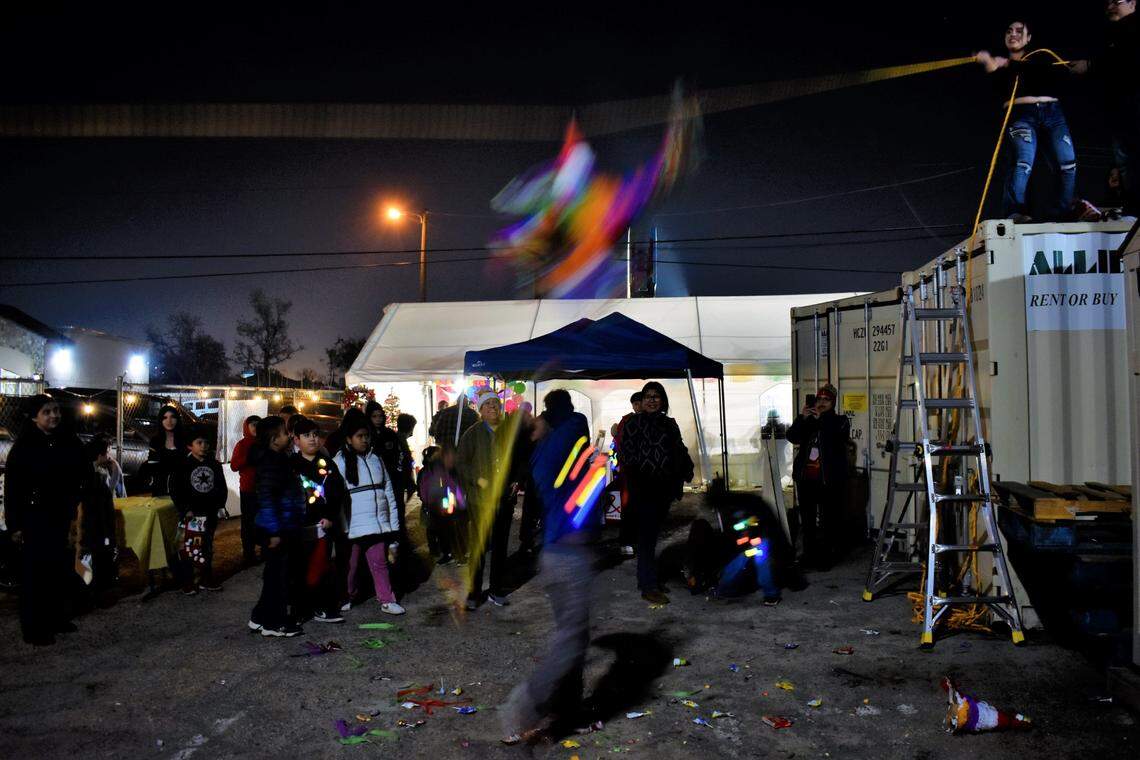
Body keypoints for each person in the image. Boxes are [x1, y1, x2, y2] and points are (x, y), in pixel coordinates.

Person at [501, 388, 597, 744]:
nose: (535, 418)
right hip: (567, 556)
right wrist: (553, 409)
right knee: (570, 640)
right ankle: (523, 707)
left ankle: (568, 712)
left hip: (559, 554)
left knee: (575, 637)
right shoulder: (558, 441)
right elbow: (576, 420)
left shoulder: (543, 452)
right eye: (532, 421)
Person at [976, 20, 1077, 222]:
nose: (1013, 34)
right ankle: (1014, 212)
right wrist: (990, 65)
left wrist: (1008, 64)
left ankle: (1063, 210)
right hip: (1021, 114)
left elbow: (1043, 72)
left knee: (1068, 163)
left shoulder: (1041, 57)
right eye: (1009, 31)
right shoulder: (999, 64)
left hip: (1053, 113)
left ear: (1029, 37)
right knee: (1022, 161)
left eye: (1019, 31)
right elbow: (997, 90)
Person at [4, 394, 85, 645]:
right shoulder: (25, 446)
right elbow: (13, 487)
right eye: (47, 412)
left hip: (58, 514)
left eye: (55, 410)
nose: (54, 416)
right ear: (34, 417)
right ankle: (34, 628)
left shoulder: (64, 440)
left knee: (56, 568)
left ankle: (56, 618)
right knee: (34, 573)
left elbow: (77, 472)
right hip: (33, 516)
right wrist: (15, 524)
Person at [617, 381, 694, 605]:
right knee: (646, 537)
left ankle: (649, 580)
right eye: (648, 396)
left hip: (663, 489)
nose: (651, 400)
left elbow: (679, 450)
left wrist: (682, 473)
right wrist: (637, 482)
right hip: (643, 489)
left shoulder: (669, 424)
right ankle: (648, 584)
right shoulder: (633, 423)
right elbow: (626, 456)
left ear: (663, 401)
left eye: (656, 396)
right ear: (641, 400)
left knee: (652, 535)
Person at [1070, 0, 1140, 216]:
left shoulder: (1133, 28)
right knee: (1125, 161)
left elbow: (1125, 59)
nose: (1109, 5)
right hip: (1122, 109)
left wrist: (1090, 65)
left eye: (1116, 1)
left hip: (1134, 108)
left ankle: (1135, 210)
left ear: (1133, 3)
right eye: (1107, 1)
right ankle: (1132, 210)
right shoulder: (1115, 34)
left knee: (1132, 159)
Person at [334, 414, 405, 615]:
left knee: (379, 563)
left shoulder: (376, 459)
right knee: (351, 566)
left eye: (366, 436)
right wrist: (343, 526)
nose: (365, 440)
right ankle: (346, 595)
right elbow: (337, 498)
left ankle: (387, 598)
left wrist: (392, 523)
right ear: (348, 438)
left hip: (376, 524)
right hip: (353, 526)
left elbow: (388, 491)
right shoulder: (339, 462)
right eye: (359, 436)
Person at [457, 390, 520, 610]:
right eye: (487, 405)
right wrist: (478, 480)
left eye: (495, 403)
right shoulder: (471, 434)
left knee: (501, 546)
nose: (492, 407)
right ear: (481, 410)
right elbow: (461, 464)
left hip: (504, 497)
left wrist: (517, 479)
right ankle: (474, 593)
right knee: (480, 546)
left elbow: (520, 458)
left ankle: (496, 589)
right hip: (479, 499)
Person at [249, 416, 307, 637]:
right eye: (284, 433)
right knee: (279, 577)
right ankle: (275, 622)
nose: (289, 436)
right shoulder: (271, 463)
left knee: (274, 574)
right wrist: (274, 532)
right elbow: (267, 499)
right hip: (277, 528)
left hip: (285, 525)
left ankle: (259, 616)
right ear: (274, 439)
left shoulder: (281, 459)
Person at [786, 384, 850, 570]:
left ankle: (826, 558)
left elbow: (837, 437)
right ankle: (808, 555)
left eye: (826, 399)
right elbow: (792, 436)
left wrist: (820, 418)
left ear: (833, 403)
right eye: (819, 399)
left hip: (828, 480)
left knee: (828, 520)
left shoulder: (840, 421)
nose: (821, 402)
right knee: (807, 520)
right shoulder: (809, 420)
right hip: (806, 479)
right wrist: (802, 418)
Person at [290, 415, 346, 624]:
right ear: (296, 440)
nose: (313, 439)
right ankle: (299, 608)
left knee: (321, 567)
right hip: (298, 527)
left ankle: (322, 606)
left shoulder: (327, 464)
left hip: (322, 526)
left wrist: (330, 516)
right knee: (297, 569)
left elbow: (337, 492)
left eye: (315, 434)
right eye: (306, 435)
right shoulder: (291, 466)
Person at [171, 425, 227, 594]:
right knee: (192, 546)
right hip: (194, 513)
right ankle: (188, 580)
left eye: (206, 442)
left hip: (209, 512)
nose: (203, 446)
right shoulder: (183, 466)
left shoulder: (214, 465)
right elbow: (176, 490)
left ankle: (206, 577)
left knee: (207, 546)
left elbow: (221, 487)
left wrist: (219, 505)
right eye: (199, 442)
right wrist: (185, 509)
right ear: (190, 445)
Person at [79, 436, 120, 598]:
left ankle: (97, 586)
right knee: (99, 554)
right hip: (97, 528)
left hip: (95, 528)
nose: (109, 456)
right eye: (107, 453)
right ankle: (99, 588)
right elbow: (106, 496)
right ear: (99, 455)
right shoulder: (93, 478)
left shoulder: (95, 473)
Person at [418, 445, 466, 565]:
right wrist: (427, 502)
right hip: (435, 506)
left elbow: (453, 486)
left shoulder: (443, 471)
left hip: (446, 505)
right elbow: (423, 488)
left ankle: (459, 555)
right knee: (441, 532)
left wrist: (459, 502)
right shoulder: (427, 472)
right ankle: (447, 554)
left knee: (451, 531)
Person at [611, 391, 643, 557]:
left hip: (644, 472)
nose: (638, 406)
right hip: (630, 471)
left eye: (640, 402)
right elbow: (619, 443)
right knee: (629, 506)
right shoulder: (627, 420)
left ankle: (636, 540)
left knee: (641, 507)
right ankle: (627, 541)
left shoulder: (652, 420)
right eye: (635, 403)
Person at [229, 414, 262, 565]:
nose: (255, 427)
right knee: (248, 522)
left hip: (264, 490)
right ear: (246, 427)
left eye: (258, 424)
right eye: (252, 424)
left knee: (263, 520)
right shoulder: (242, 445)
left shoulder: (265, 443)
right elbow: (234, 466)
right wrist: (247, 458)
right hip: (248, 489)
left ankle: (264, 549)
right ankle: (248, 553)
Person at [512, 402, 543, 557]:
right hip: (530, 470)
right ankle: (528, 540)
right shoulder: (529, 425)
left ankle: (527, 540)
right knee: (532, 506)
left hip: (529, 470)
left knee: (531, 507)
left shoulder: (521, 425)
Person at [147, 405, 186, 496]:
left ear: (177, 419)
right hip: (161, 488)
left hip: (182, 488)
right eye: (165, 417)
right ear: (161, 420)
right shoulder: (155, 441)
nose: (169, 421)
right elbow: (153, 466)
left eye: (172, 417)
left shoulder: (185, 439)